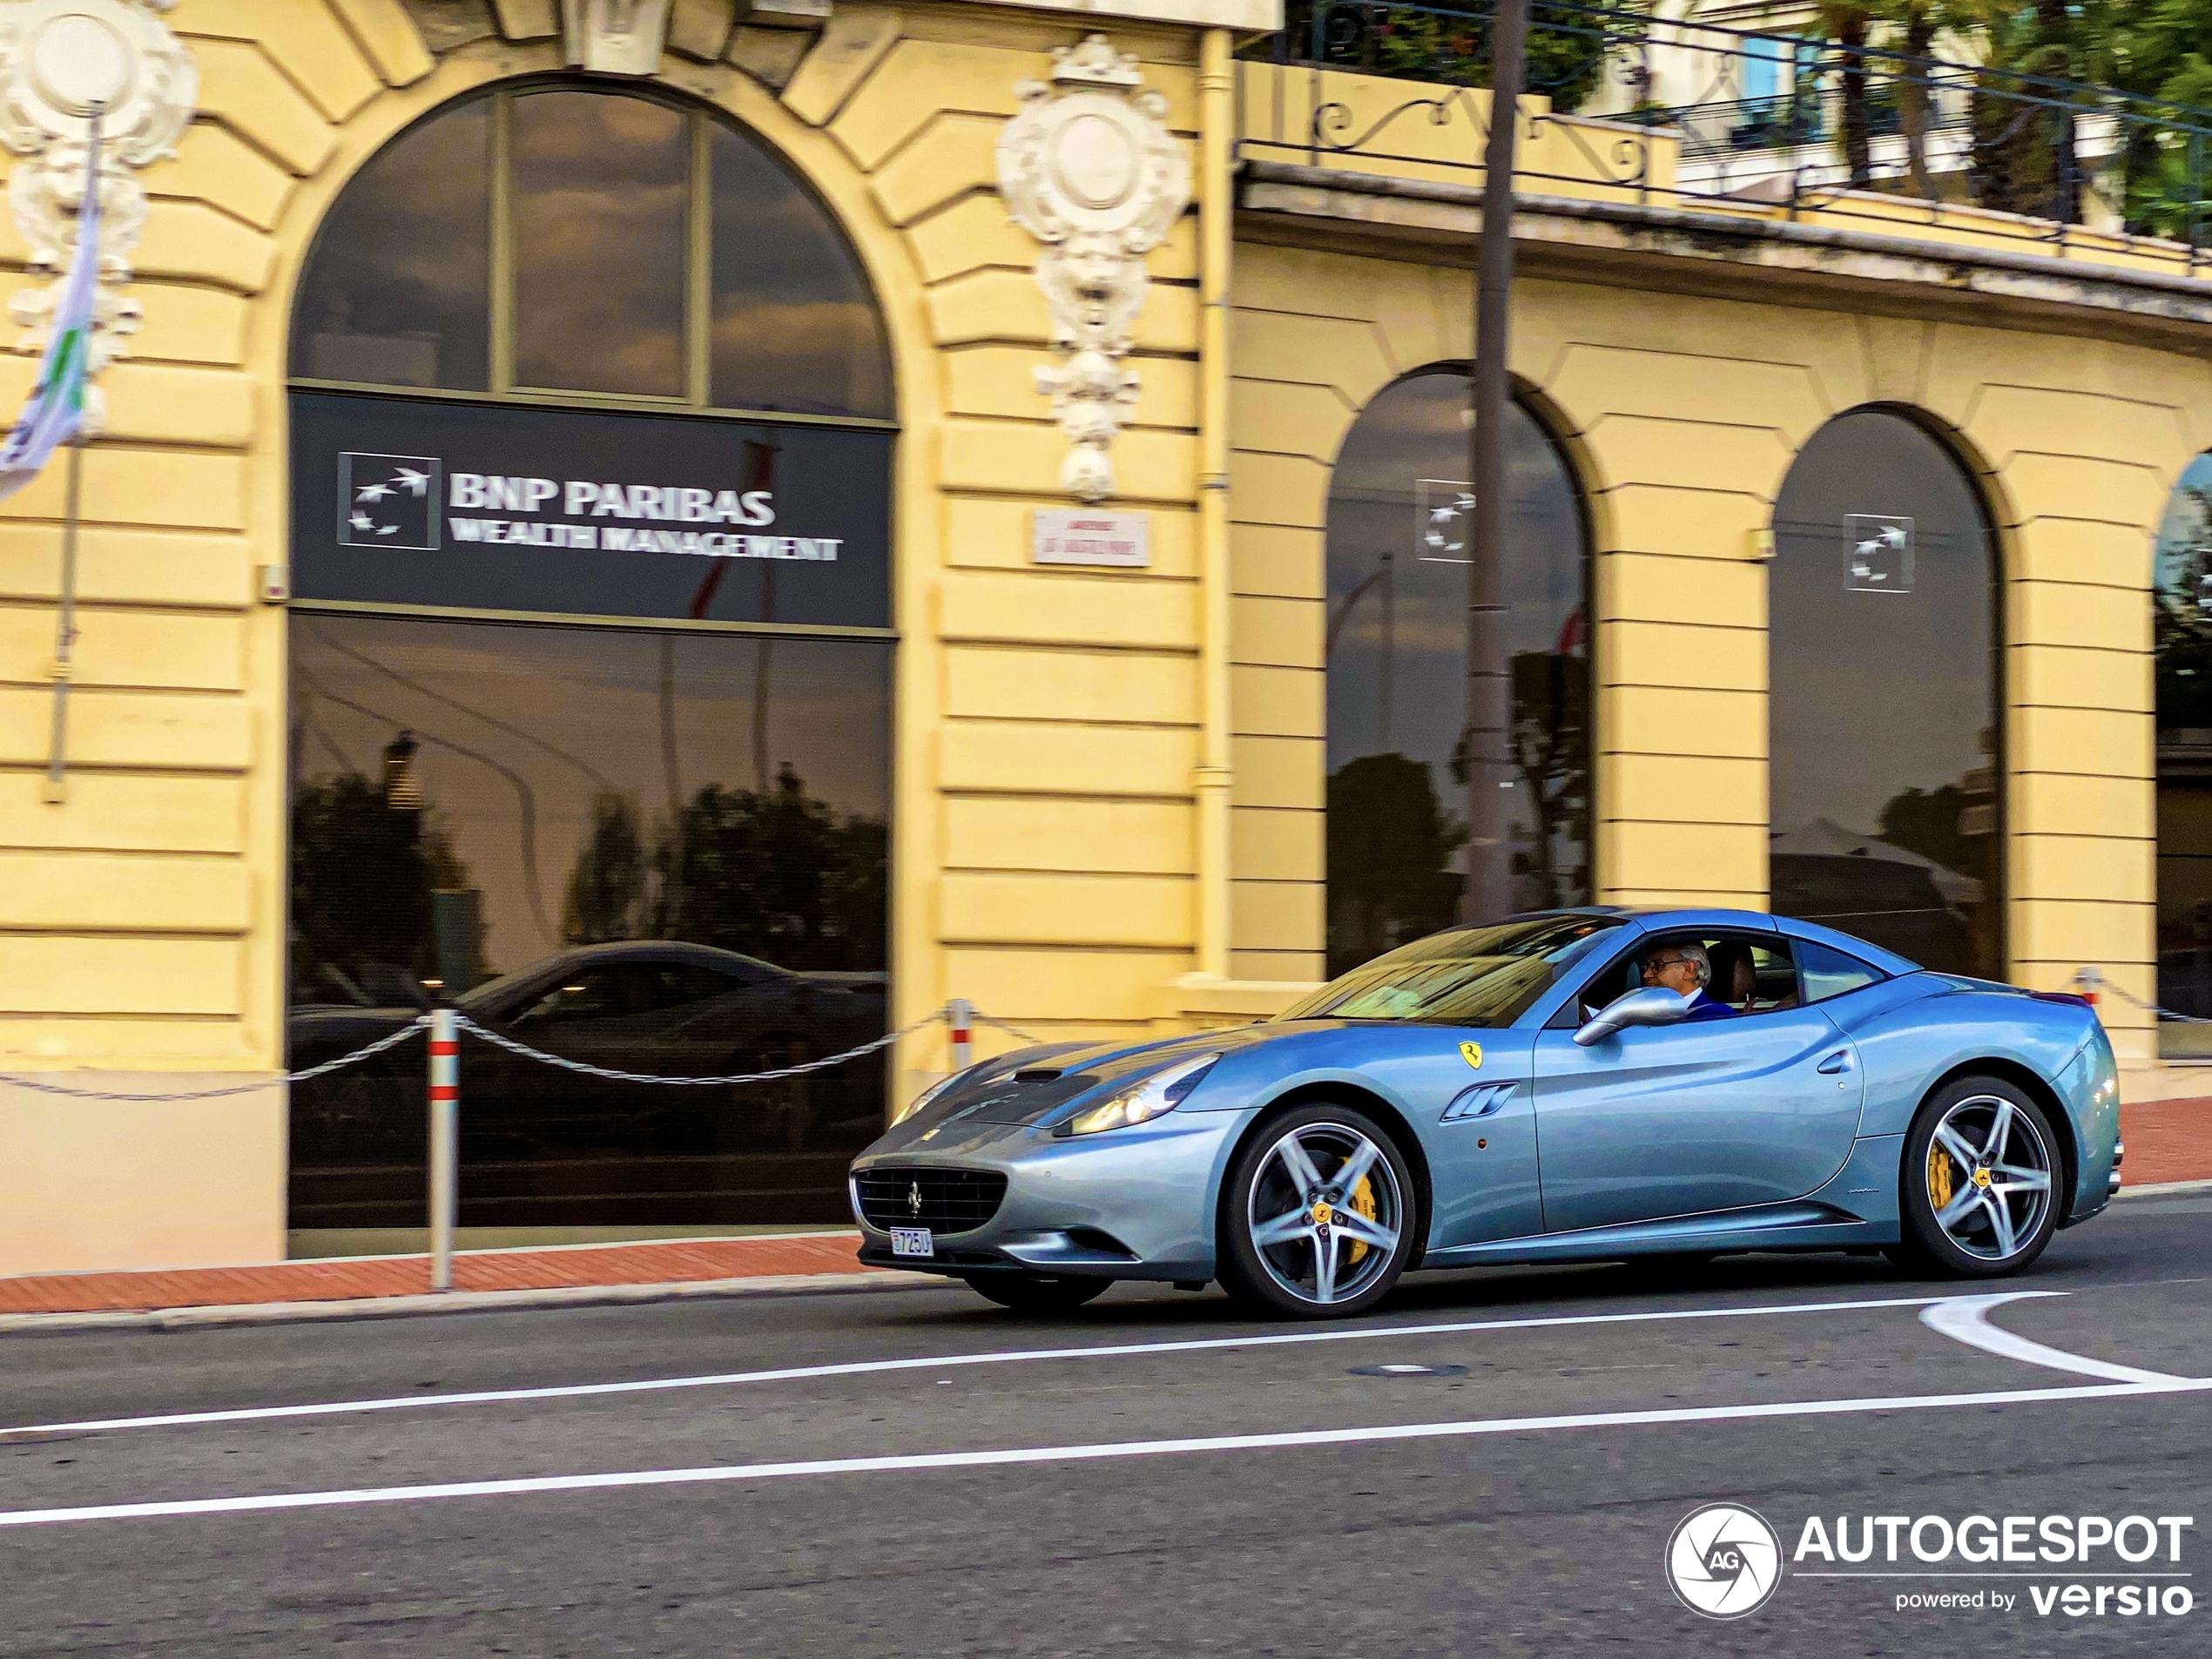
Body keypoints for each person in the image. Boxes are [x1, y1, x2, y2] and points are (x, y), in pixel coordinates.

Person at [1642, 942, 1734, 1021]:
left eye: (1658, 966)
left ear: (1689, 969)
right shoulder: (1653, 1010)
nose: (1646, 975)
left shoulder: (1713, 1017)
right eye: (1647, 966)